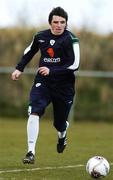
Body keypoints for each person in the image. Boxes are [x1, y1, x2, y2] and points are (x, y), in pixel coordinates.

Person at [11, 6, 80, 164]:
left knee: (59, 124)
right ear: (50, 23)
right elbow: (29, 51)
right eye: (55, 22)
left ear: (66, 23)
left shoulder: (72, 40)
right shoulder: (40, 36)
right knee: (34, 110)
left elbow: (75, 64)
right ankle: (30, 152)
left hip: (64, 87)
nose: (59, 25)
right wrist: (19, 68)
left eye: (63, 22)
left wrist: (52, 70)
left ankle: (62, 134)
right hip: (43, 82)